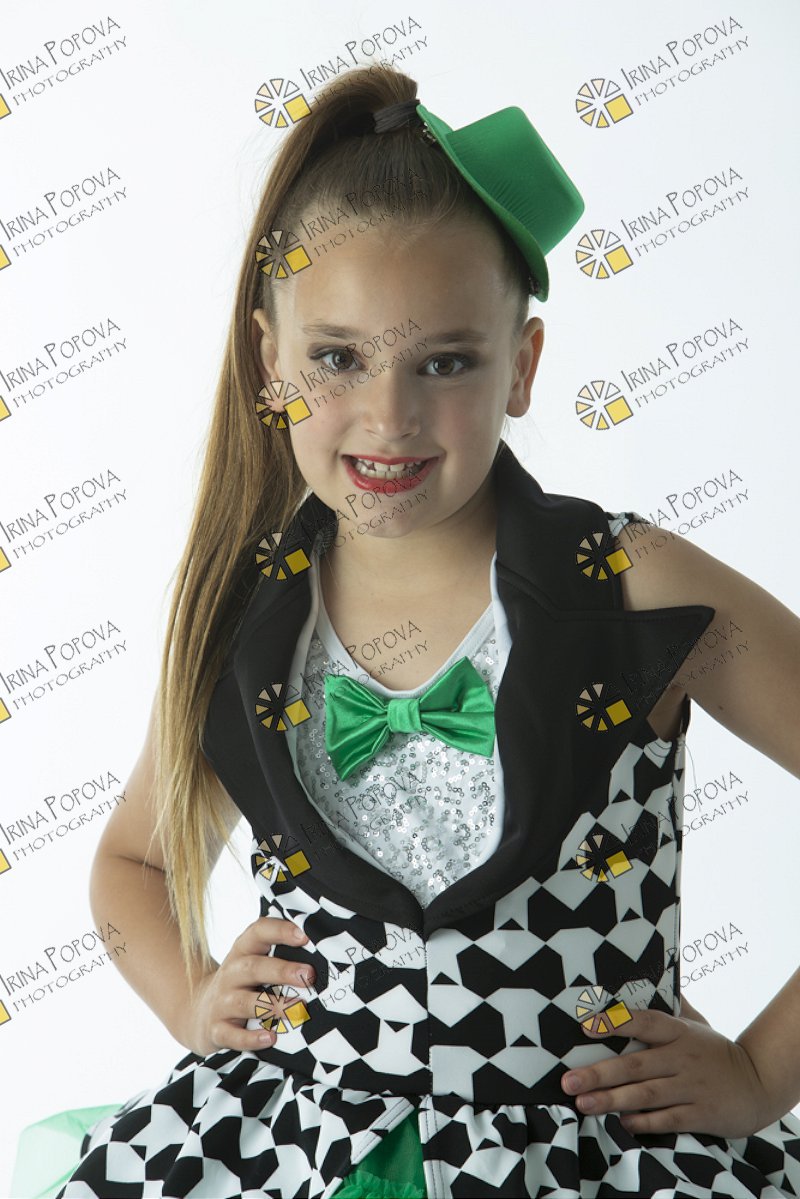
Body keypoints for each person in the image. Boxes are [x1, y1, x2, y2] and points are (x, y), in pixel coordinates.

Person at [36, 62, 800, 1199]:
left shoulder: (630, 585)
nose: (388, 416)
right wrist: (191, 996)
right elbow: (131, 861)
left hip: (589, 1157)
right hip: (299, 1152)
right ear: (271, 361)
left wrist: (759, 1070)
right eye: (337, 358)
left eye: (444, 362)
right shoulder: (243, 611)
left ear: (522, 366)